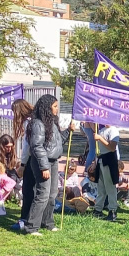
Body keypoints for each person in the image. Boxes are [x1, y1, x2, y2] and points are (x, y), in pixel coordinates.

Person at [23, 94, 76, 235]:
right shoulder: (37, 124)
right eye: (55, 106)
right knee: (43, 194)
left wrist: (69, 132)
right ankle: (31, 226)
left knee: (52, 194)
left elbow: (55, 144)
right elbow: (37, 146)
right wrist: (44, 166)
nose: (57, 109)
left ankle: (47, 222)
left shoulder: (52, 122)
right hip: (42, 163)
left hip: (53, 161)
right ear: (47, 107)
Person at [11, 99, 34, 229]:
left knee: (28, 190)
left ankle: (25, 219)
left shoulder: (28, 122)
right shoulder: (37, 118)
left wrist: (23, 165)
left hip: (31, 160)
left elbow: (27, 146)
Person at [92, 122, 121, 221]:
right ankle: (98, 209)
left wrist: (100, 138)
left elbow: (112, 147)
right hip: (101, 159)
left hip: (109, 160)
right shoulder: (102, 130)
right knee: (101, 187)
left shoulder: (113, 130)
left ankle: (112, 210)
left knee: (110, 187)